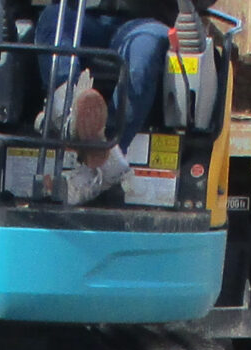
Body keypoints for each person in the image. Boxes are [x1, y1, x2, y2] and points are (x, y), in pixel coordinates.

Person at [32, 0, 172, 200]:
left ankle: (105, 152)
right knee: (52, 19)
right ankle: (69, 116)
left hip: (144, 22)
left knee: (143, 54)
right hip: (83, 14)